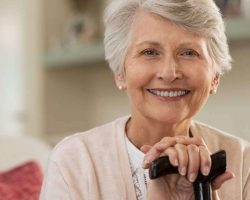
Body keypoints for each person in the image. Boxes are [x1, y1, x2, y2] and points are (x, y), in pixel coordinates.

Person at [40, 0, 250, 199]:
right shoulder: (75, 161)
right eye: (149, 52)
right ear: (120, 72)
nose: (169, 73)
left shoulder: (243, 160)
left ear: (215, 77)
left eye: (188, 53)